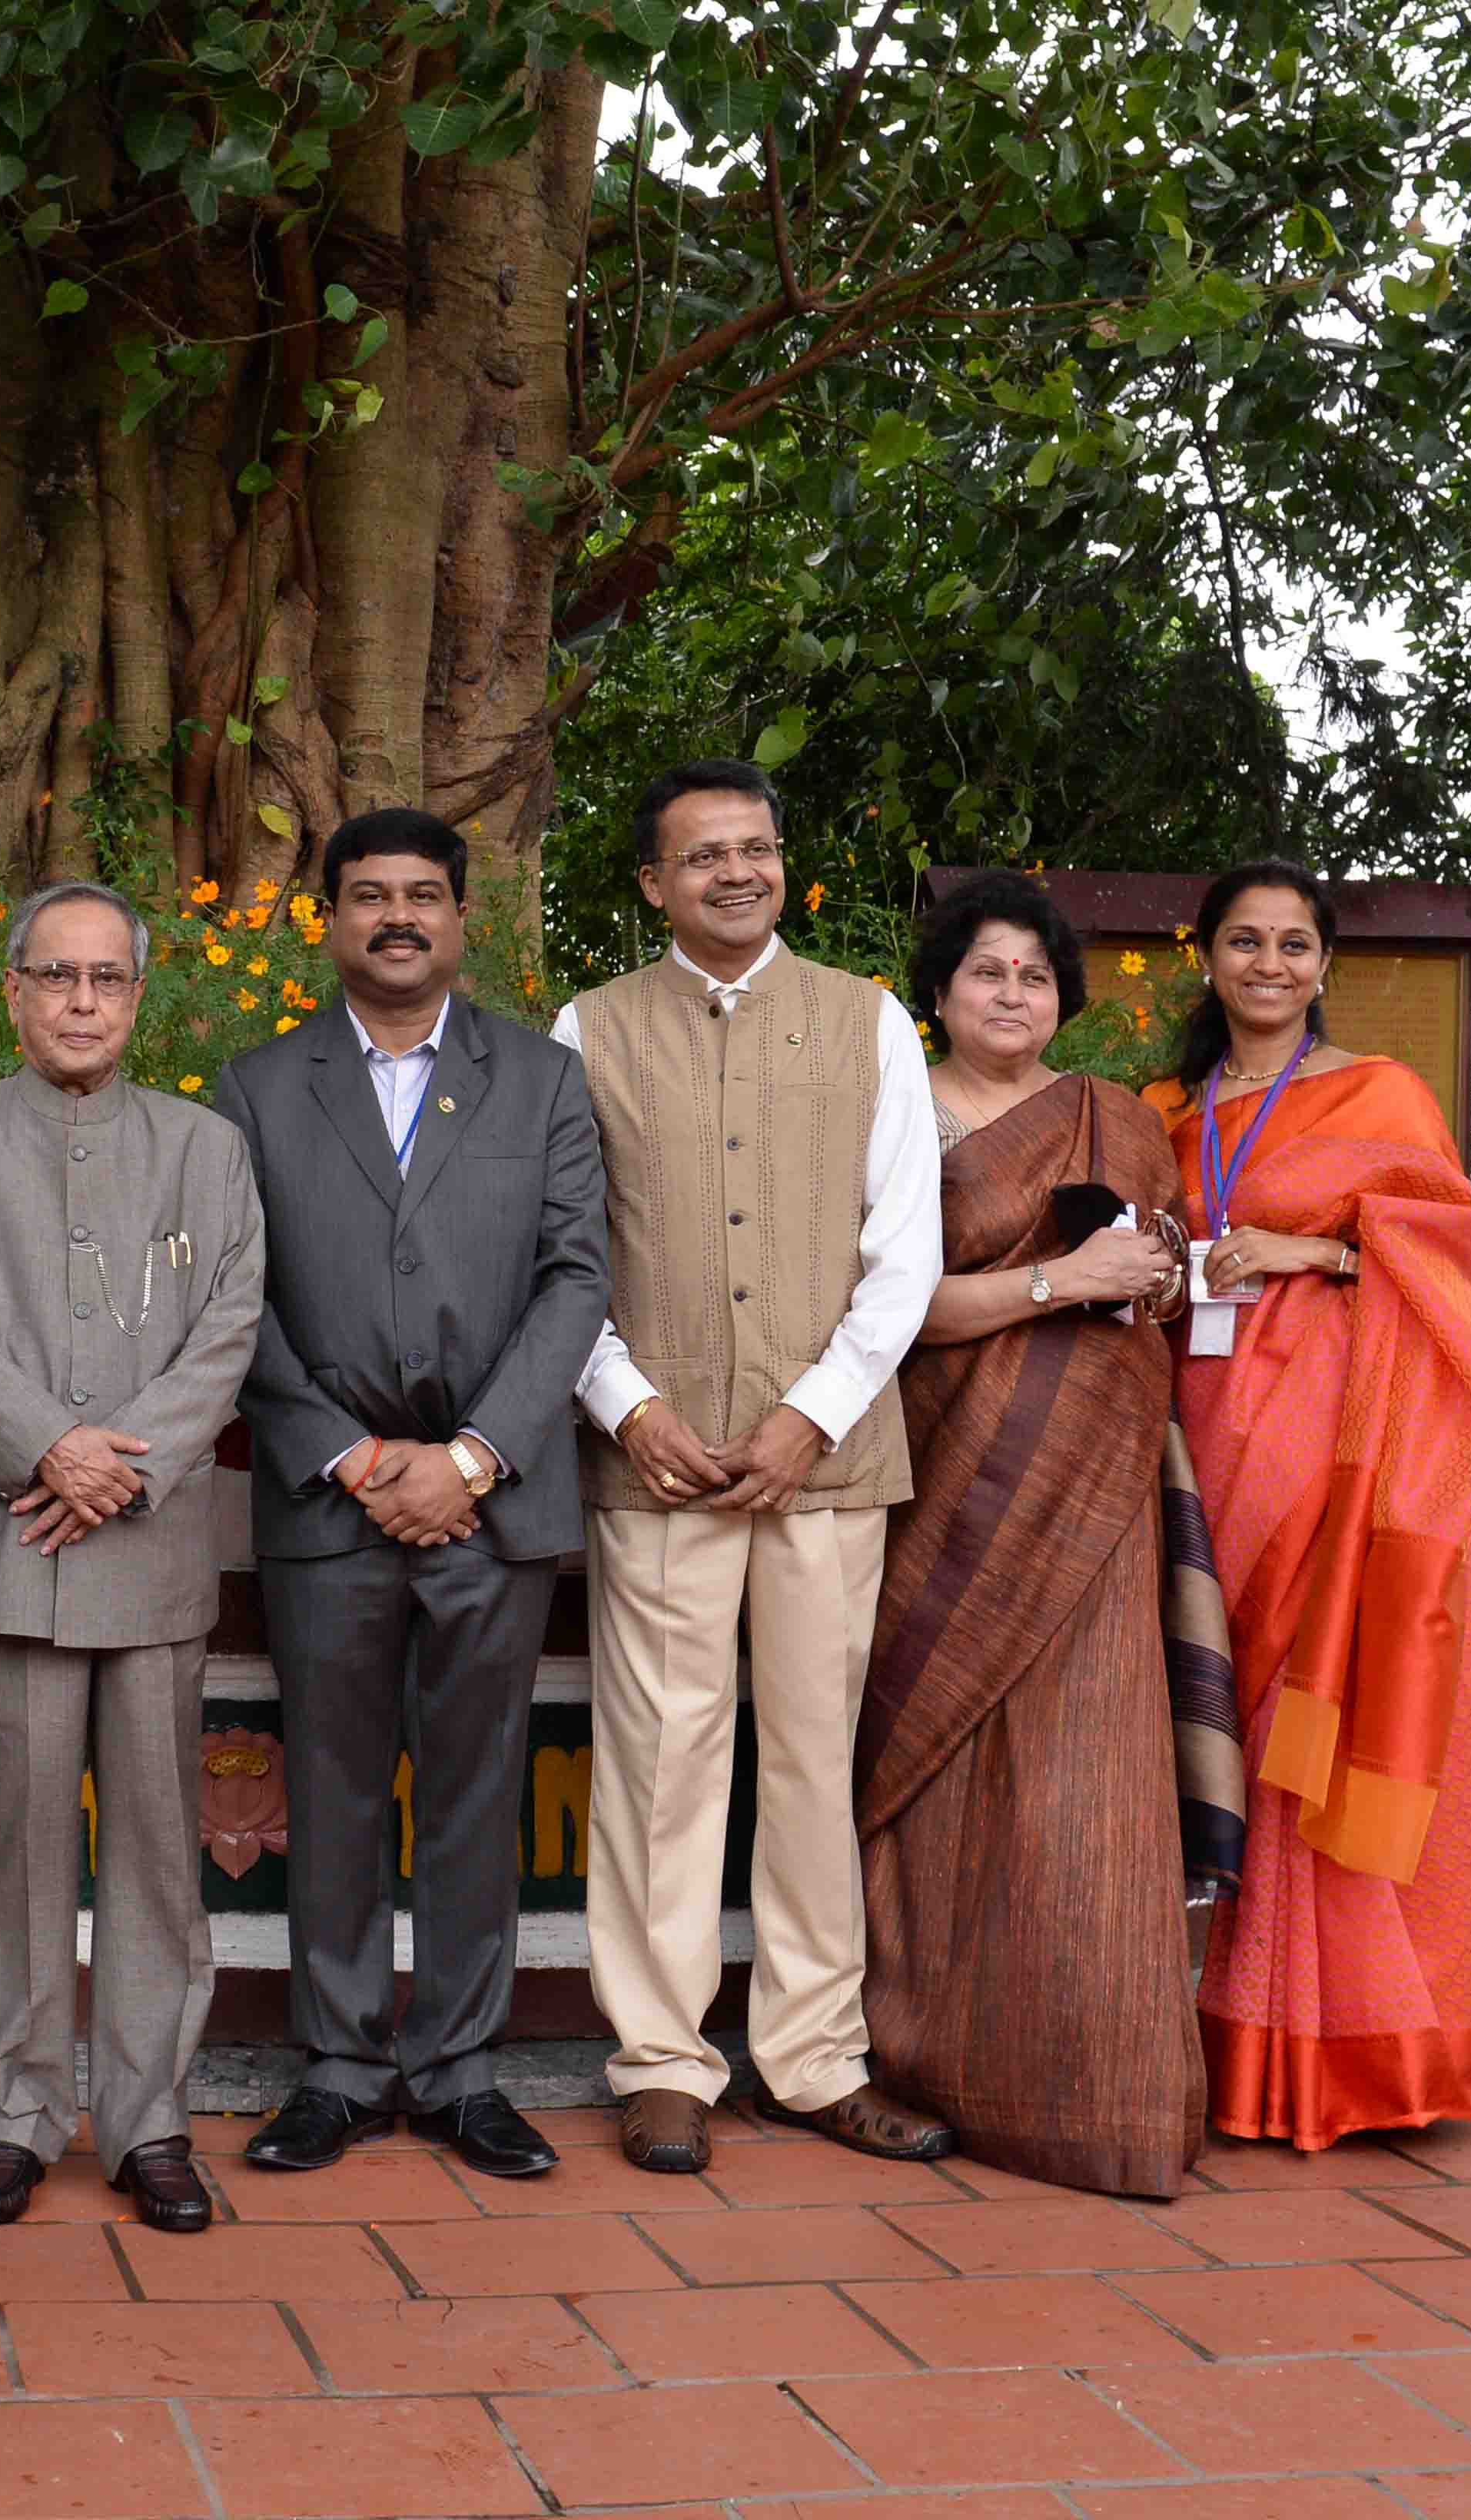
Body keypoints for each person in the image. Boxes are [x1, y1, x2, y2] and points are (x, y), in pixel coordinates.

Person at [555, 760, 949, 2178]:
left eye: (760, 849)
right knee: (658, 1770)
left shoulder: (869, 1020)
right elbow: (564, 1251)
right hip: (653, 1462)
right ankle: (661, 2061)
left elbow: (907, 1250)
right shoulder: (587, 1030)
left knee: (809, 1767)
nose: (739, 871)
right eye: (706, 854)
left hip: (824, 1468)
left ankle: (815, 2059)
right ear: (654, 883)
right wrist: (628, 1407)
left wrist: (813, 1415)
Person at [217, 808, 607, 2183]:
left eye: (425, 895)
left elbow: (577, 1279)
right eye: (370, 895)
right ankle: (336, 2064)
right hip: (331, 1500)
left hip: (491, 1499)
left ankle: (456, 2069)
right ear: (325, 919)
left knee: (472, 1790)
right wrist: (353, 1457)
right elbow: (233, 1299)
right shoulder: (255, 1089)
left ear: (463, 919)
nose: (398, 916)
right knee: (327, 1789)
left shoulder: (545, 1083)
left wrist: (474, 1456)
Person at [0, 880, 265, 2233]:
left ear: (141, 994)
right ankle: (12, 2115)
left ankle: (151, 2119)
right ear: (13, 992)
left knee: (160, 1857)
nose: (83, 1003)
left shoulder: (207, 1151)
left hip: (146, 1556)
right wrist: (47, 1448)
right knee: (8, 1857)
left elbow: (229, 1328)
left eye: (108, 978)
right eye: (58, 977)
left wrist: (115, 1464)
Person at [1143, 860, 1471, 2147]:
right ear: (1206, 958)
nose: (1269, 966)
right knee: (1219, 1716)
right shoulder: (1167, 1111)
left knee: (1324, 1714)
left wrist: (1316, 1248)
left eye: (1293, 945)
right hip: (1196, 1443)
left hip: (1330, 1452)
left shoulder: (1380, 1094)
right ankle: (1231, 2028)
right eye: (1243, 942)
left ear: (1321, 963)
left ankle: (1343, 2046)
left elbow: (1455, 1252)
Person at [856, 872, 1215, 2199]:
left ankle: (1102, 2086)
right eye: (986, 973)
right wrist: (1062, 1279)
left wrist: (1159, 1275)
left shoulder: (1116, 1121)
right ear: (938, 991)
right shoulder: (890, 1117)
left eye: (1036, 977)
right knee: (942, 1765)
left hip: (1090, 1484)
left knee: (1090, 1783)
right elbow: (885, 1314)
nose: (1012, 996)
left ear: (1064, 1000)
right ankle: (939, 2054)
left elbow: (1159, 1281)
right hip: (943, 1469)